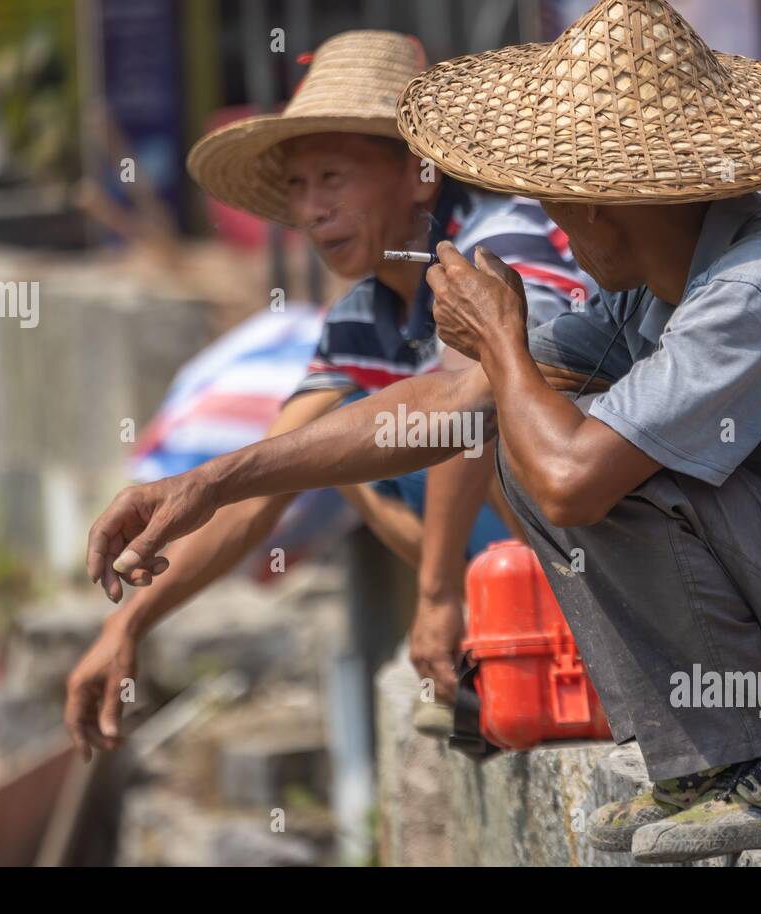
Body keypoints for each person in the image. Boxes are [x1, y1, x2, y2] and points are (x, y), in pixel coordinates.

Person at [83, 0, 761, 863]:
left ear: (601, 204)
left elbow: (568, 477)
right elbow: (441, 405)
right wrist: (210, 481)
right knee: (527, 423)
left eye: (559, 202)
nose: (548, 222)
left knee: (570, 449)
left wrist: (503, 341)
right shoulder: (646, 298)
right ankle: (721, 757)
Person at [65, 31, 584, 760]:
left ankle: (537, 636)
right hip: (517, 561)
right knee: (330, 454)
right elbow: (254, 493)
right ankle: (494, 649)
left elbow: (479, 403)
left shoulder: (502, 240)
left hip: (607, 539)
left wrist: (434, 597)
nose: (311, 211)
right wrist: (126, 626)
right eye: (299, 187)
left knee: (439, 428)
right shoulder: (361, 316)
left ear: (422, 174)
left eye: (333, 178)